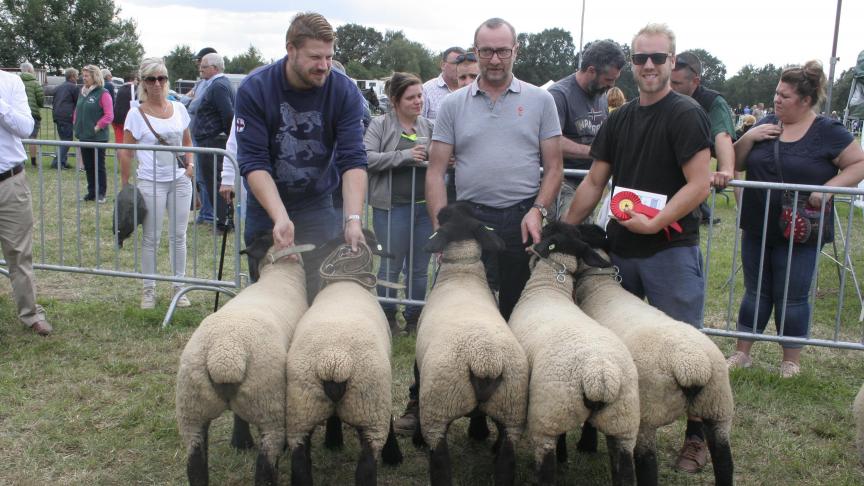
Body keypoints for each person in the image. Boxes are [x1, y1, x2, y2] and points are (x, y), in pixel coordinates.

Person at [394, 17, 563, 435]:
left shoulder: (541, 101)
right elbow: (435, 173)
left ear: (515, 51)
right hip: (469, 223)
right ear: (474, 51)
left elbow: (555, 167)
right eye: (485, 50)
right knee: (446, 315)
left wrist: (538, 210)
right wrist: (441, 230)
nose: (493, 58)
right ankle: (421, 401)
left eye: (502, 50)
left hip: (520, 220)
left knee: (518, 316)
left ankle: (511, 409)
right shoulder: (453, 104)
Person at [563, 23, 713, 474]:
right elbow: (595, 180)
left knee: (687, 348)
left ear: (672, 61)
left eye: (658, 58)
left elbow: (699, 184)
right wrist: (565, 230)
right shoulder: (620, 118)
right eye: (641, 58)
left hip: (670, 251)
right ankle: (620, 425)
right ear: (631, 63)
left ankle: (697, 436)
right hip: (620, 251)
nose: (649, 66)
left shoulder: (686, 114)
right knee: (616, 344)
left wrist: (658, 222)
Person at [726, 61, 864, 378]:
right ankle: (741, 354)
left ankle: (791, 361)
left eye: (784, 96)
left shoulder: (828, 131)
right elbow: (736, 159)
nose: (776, 100)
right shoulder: (767, 123)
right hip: (758, 223)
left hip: (802, 229)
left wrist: (827, 190)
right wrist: (750, 137)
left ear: (805, 100)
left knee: (793, 295)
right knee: (755, 290)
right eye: (776, 93)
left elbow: (858, 164)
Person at [234, 11, 367, 300]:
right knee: (266, 293)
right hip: (265, 206)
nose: (324, 66)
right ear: (290, 49)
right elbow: (254, 161)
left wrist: (353, 218)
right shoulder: (255, 89)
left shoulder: (344, 91)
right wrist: (279, 217)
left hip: (317, 204)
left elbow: (353, 159)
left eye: (329, 57)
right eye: (315, 57)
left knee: (317, 289)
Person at [119, 57, 195, 310]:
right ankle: (149, 290)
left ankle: (179, 286)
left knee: (179, 235)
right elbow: (126, 151)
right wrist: (125, 183)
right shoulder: (135, 114)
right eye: (151, 79)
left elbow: (187, 142)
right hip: (150, 182)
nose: (157, 84)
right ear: (143, 83)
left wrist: (190, 164)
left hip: (179, 181)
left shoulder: (179, 109)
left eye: (161, 78)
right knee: (151, 237)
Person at [364, 72, 434, 335]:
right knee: (391, 265)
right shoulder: (380, 125)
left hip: (424, 208)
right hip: (391, 208)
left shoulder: (429, 126)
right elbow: (367, 157)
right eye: (411, 97)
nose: (418, 101)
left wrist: (443, 159)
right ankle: (388, 317)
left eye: (420, 95)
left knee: (419, 267)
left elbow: (442, 156)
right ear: (395, 100)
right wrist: (403, 156)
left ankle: (415, 318)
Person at [548, 39, 625, 221]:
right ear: (591, 70)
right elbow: (550, 141)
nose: (611, 86)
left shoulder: (601, 95)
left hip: (591, 181)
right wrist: (596, 152)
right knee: (570, 234)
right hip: (563, 183)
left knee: (585, 235)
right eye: (608, 80)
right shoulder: (558, 95)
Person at [0, 70, 52, 336]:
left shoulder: (10, 83)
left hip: (10, 182)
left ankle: (31, 314)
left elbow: (25, 127)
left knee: (19, 253)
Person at [671, 51, 735, 225]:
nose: (670, 87)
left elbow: (722, 135)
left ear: (695, 81)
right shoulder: (663, 97)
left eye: (676, 83)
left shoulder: (713, 101)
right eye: (669, 81)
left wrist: (726, 170)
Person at [191, 52, 235, 233]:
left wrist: (221, 135)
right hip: (211, 141)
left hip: (213, 142)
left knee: (215, 184)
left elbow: (228, 114)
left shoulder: (218, 86)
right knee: (212, 183)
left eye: (204, 67)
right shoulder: (219, 84)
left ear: (215, 68)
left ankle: (224, 222)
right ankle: (222, 220)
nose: (201, 69)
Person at [184, 47, 218, 225]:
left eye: (202, 63)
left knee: (206, 177)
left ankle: (209, 213)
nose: (199, 67)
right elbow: (188, 100)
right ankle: (205, 212)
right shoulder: (202, 83)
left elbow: (195, 102)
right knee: (200, 177)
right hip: (195, 131)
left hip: (205, 135)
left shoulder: (214, 84)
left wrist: (187, 100)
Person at [74, 64, 114, 203]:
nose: (83, 78)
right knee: (88, 166)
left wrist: (97, 127)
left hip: (98, 137)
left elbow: (109, 115)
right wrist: (76, 123)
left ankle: (101, 193)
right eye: (83, 75)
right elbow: (78, 110)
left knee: (99, 166)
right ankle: (91, 192)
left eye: (86, 76)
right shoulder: (82, 91)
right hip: (84, 136)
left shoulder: (103, 93)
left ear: (94, 77)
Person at [421, 46, 465, 120]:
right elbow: (416, 124)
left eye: (463, 63)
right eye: (456, 63)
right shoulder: (426, 90)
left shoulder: (471, 90)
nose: (459, 67)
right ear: (442, 65)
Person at [51, 67, 78, 170]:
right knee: (67, 140)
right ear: (72, 76)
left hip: (57, 115)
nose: (77, 78)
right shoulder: (73, 88)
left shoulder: (59, 87)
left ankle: (62, 161)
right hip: (66, 116)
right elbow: (77, 102)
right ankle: (57, 163)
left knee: (63, 139)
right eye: (76, 76)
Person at [19, 62, 44, 168]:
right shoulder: (35, 83)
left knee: (19, 137)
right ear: (30, 70)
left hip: (18, 113)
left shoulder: (16, 81)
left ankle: (20, 161)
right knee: (32, 137)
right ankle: (33, 162)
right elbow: (40, 99)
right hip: (32, 113)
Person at [112, 74, 139, 145]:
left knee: (119, 140)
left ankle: (119, 154)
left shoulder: (120, 88)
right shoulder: (136, 88)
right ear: (132, 79)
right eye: (136, 79)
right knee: (130, 142)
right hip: (128, 118)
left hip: (116, 118)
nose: (137, 81)